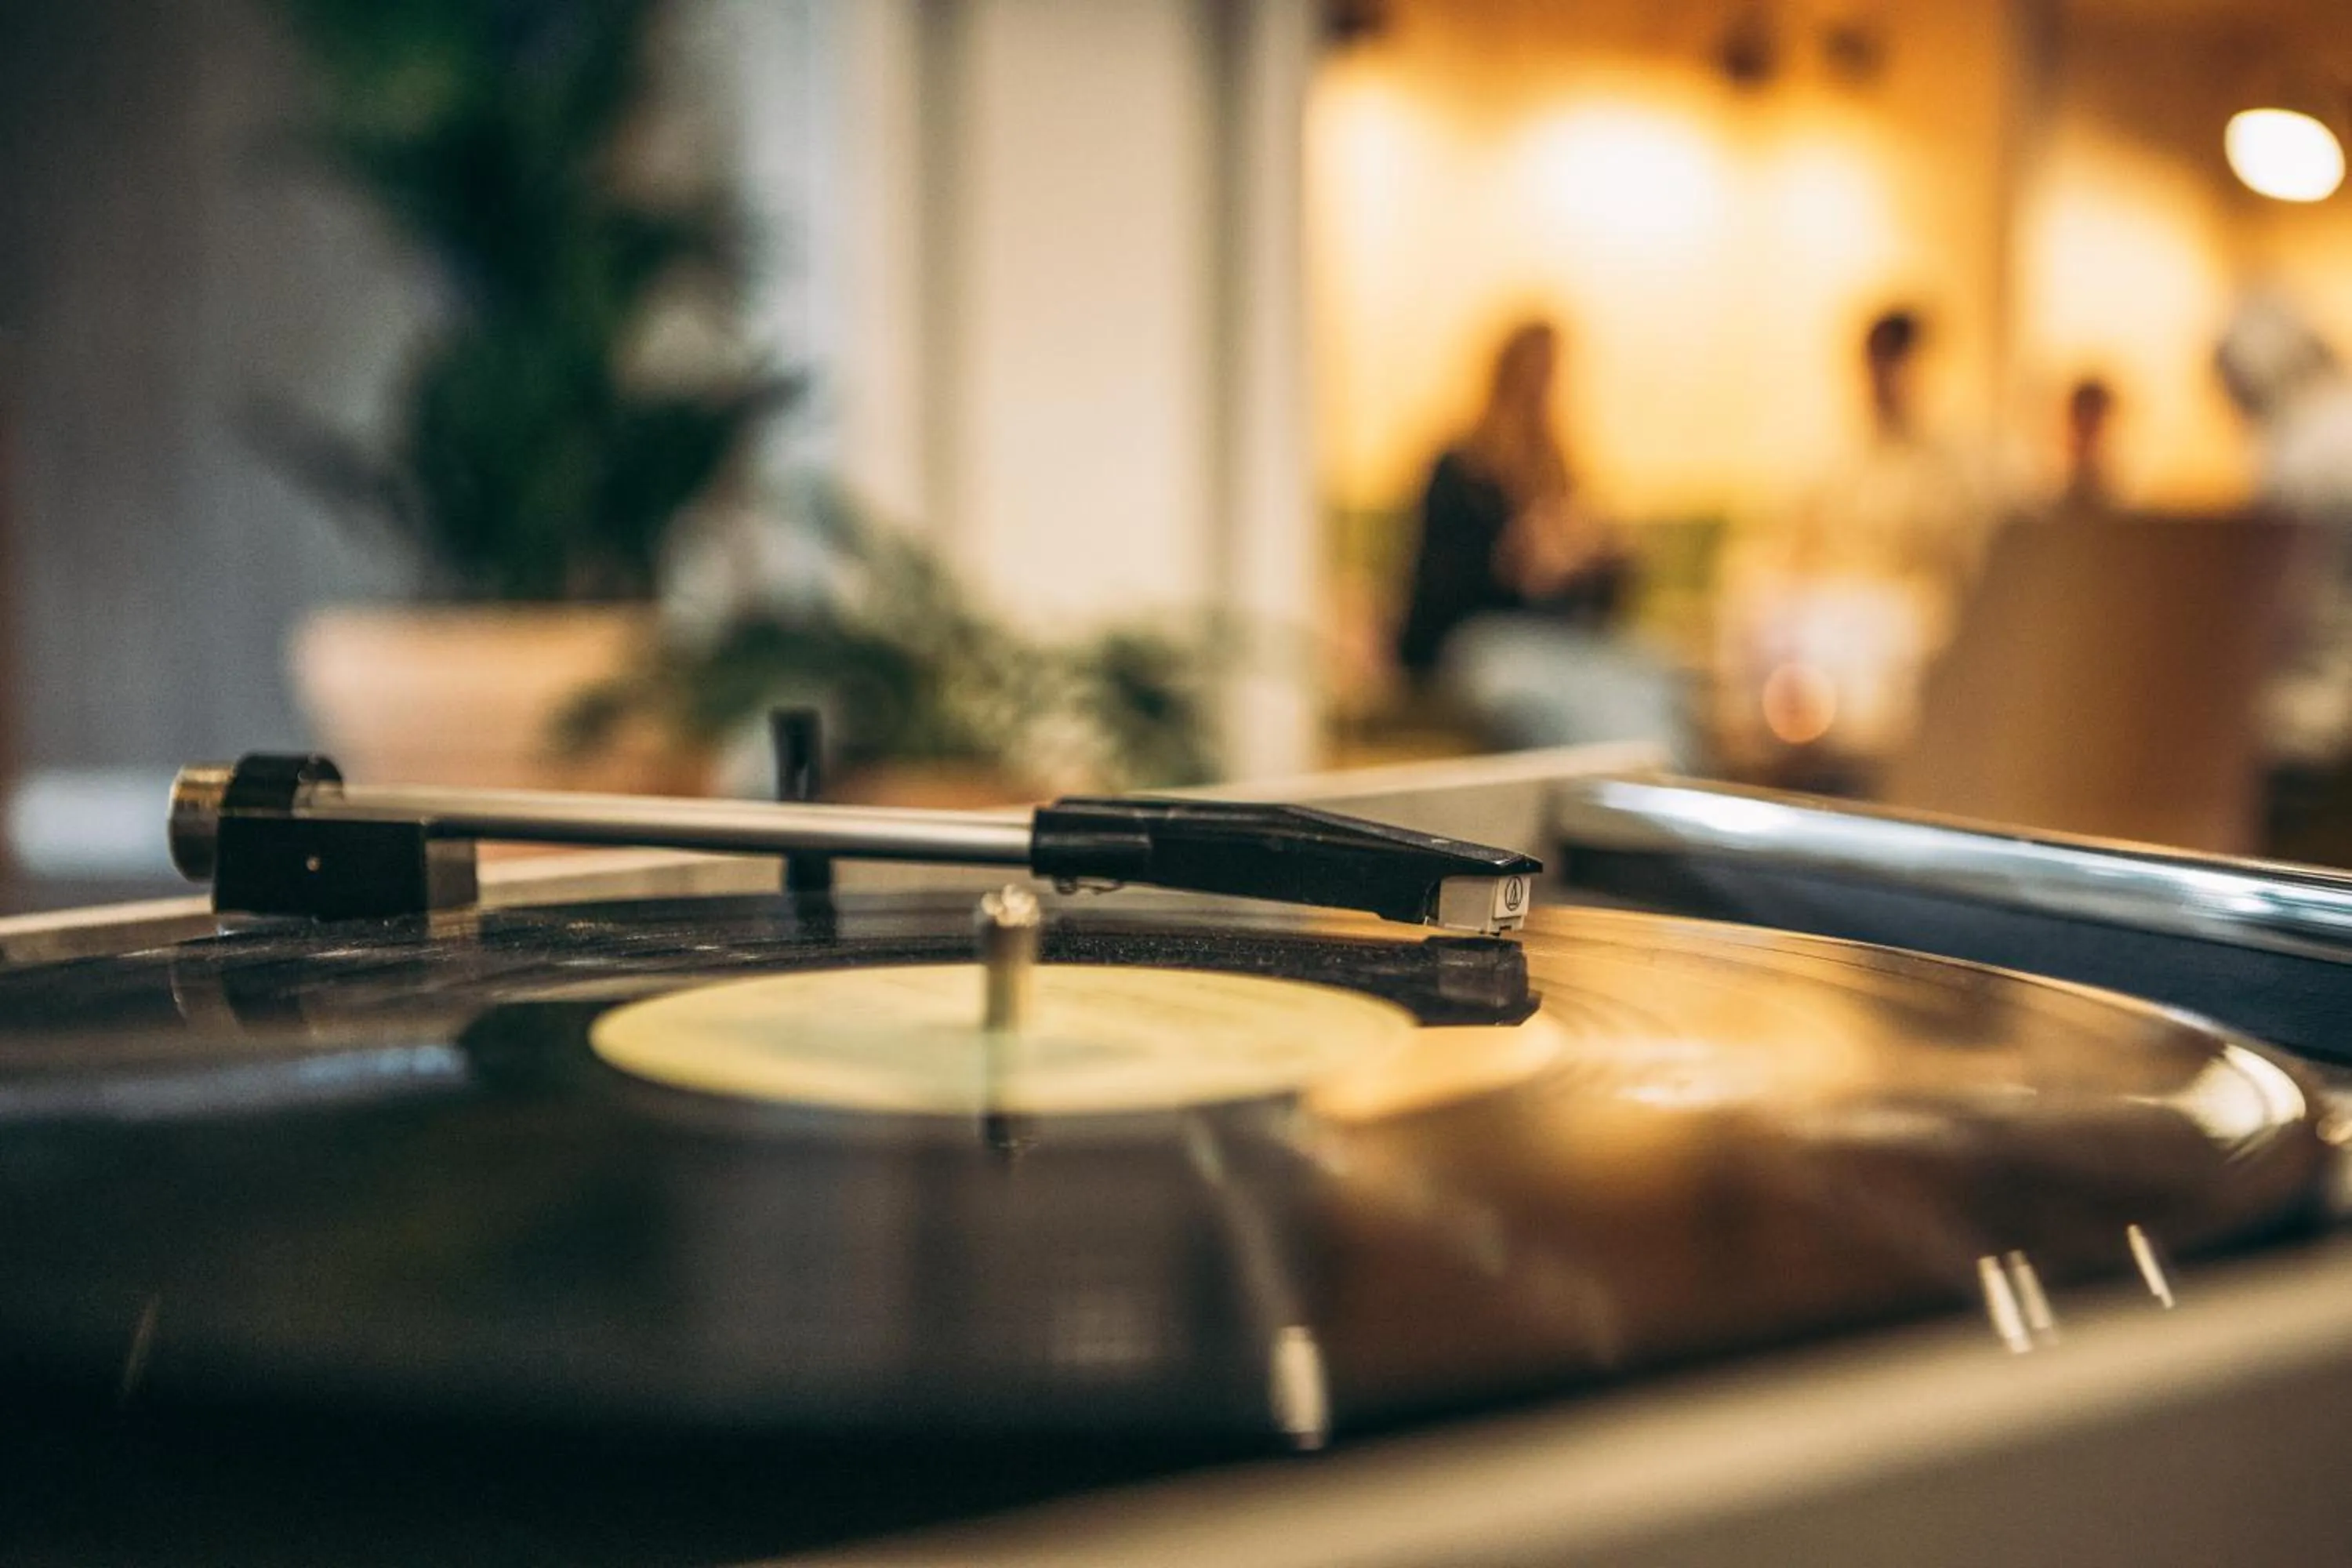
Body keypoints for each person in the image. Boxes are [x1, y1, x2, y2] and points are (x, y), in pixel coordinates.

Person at [1715, 306, 2003, 781]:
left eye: (1897, 363)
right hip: (1828, 611)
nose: (1886, 378)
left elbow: (1967, 565)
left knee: (1888, 636)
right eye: (1878, 363)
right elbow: (1787, 540)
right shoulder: (1828, 453)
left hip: (1908, 618)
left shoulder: (1955, 466)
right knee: (1768, 610)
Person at [1394, 321, 1686, 760]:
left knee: (1649, 674)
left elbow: (1599, 611)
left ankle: (1657, 779)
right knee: (1534, 692)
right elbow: (1433, 592)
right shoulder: (1461, 469)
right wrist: (1512, 562)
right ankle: (1595, 780)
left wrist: (1598, 561)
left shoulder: (1560, 471)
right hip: (1485, 638)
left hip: (1561, 641)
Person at [2059, 376, 2118, 514]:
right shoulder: (2053, 470)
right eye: (2085, 414)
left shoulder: (2117, 476)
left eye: (2095, 415)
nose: (2090, 424)